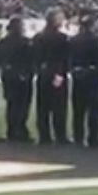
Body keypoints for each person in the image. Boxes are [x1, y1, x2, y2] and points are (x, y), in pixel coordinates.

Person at [68, 13, 98, 147]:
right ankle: (93, 137)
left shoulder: (73, 40)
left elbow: (69, 60)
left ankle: (78, 136)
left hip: (78, 78)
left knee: (78, 110)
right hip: (92, 79)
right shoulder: (96, 40)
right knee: (95, 111)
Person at [31, 9, 71, 145]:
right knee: (59, 106)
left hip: (43, 74)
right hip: (57, 73)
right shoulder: (62, 38)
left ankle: (44, 135)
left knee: (43, 106)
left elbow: (35, 58)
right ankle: (60, 135)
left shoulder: (38, 37)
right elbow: (65, 59)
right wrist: (60, 74)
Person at [0, 17, 33, 142]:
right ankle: (20, 130)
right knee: (22, 104)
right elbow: (30, 58)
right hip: (22, 75)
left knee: (11, 103)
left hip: (8, 75)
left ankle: (11, 130)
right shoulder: (25, 42)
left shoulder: (3, 42)